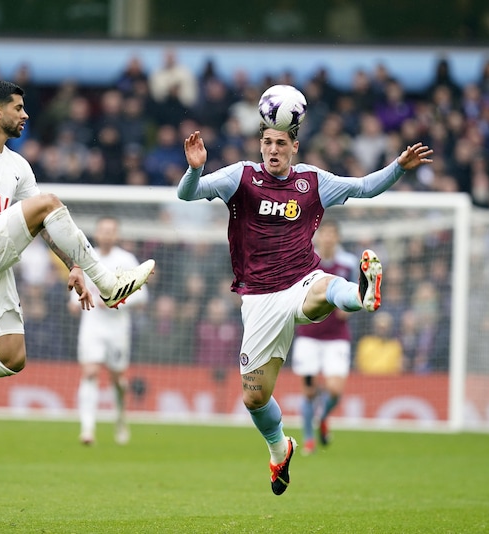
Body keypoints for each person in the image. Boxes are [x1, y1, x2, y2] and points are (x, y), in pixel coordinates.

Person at [178, 105, 432, 495]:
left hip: (301, 279)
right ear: (260, 145)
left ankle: (361, 293)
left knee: (325, 290)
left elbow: (364, 187)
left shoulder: (313, 182)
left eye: (281, 143)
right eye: (267, 142)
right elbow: (187, 194)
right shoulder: (240, 176)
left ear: (294, 147)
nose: (273, 149)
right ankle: (280, 448)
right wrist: (195, 167)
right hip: (259, 298)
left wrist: (398, 165)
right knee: (254, 397)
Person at [0, 80, 155, 439]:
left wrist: (73, 265)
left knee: (12, 358)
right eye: (18, 107)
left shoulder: (18, 166)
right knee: (49, 201)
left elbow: (47, 225)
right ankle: (108, 283)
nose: (25, 114)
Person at [68, 216, 148, 446]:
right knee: (90, 372)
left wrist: (115, 300)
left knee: (118, 380)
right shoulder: (85, 259)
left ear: (117, 234)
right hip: (91, 326)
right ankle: (87, 430)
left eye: (111, 230)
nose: (107, 234)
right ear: (96, 233)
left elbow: (142, 296)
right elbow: (74, 297)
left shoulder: (126, 259)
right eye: (103, 230)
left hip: (118, 328)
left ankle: (121, 418)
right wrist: (75, 303)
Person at [291, 218, 359, 456]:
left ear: (337, 237)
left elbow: (359, 292)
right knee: (309, 392)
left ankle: (323, 417)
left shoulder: (349, 263)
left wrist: (350, 309)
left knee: (334, 390)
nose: (328, 238)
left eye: (332, 234)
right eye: (325, 233)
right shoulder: (308, 259)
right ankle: (308, 440)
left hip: (336, 337)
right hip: (308, 336)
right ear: (318, 236)